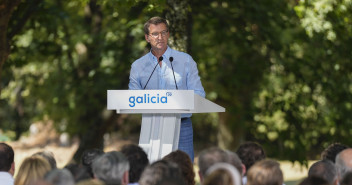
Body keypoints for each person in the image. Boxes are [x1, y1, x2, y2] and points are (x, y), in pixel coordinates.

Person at [129, 16, 206, 162]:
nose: (160, 37)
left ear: (168, 34)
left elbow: (199, 93)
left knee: (184, 171)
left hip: (182, 126)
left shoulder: (186, 61)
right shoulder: (138, 66)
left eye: (164, 32)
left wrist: (180, 102)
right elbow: (132, 98)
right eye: (155, 34)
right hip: (151, 125)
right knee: (152, 171)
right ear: (147, 37)